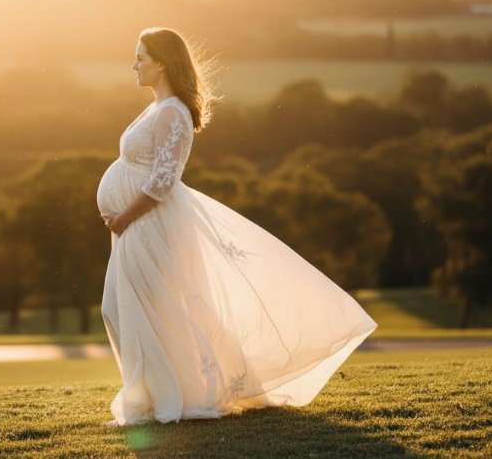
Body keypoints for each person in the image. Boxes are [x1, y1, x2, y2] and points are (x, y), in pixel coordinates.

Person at [97, 27, 377, 426]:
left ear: (162, 62)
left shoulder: (173, 111)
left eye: (140, 57)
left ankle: (158, 402)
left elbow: (163, 181)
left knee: (148, 309)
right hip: (136, 225)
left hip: (148, 223)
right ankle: (152, 398)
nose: (134, 64)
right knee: (128, 308)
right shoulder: (157, 107)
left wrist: (124, 216)